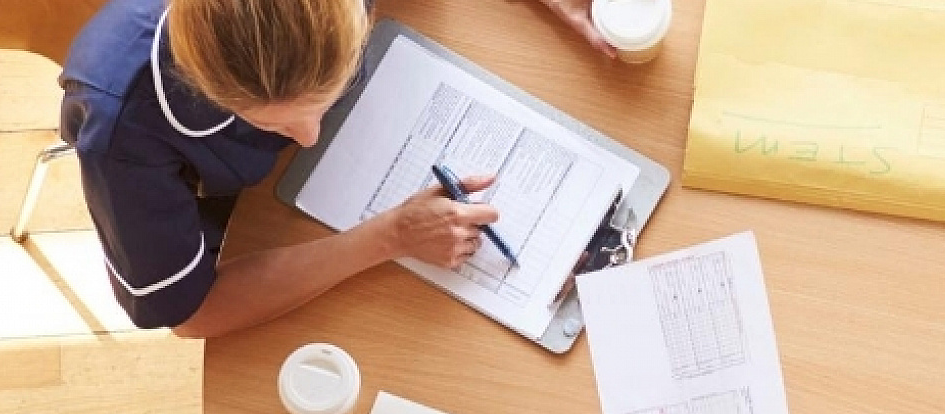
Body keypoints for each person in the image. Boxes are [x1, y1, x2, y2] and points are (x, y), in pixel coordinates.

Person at [59, 0, 614, 337]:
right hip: (231, 216)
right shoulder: (120, 128)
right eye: (276, 125)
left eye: (323, 101)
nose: (308, 137)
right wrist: (388, 236)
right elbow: (190, 312)